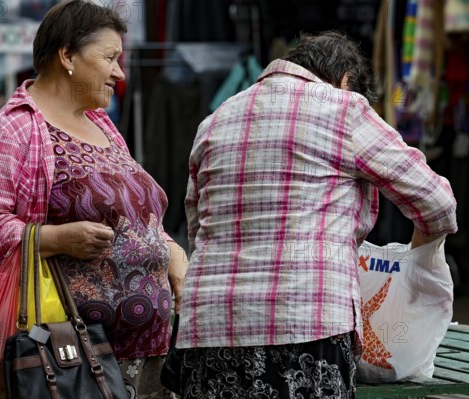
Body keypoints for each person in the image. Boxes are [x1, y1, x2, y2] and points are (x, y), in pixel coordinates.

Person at [177, 31, 457, 398]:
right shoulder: (343, 109)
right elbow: (436, 200)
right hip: (305, 328)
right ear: (345, 81)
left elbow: (198, 229)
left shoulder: (214, 122)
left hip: (208, 331)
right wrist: (419, 251)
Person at [0, 1, 188, 397]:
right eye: (110, 57)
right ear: (67, 55)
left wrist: (169, 249)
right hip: (73, 362)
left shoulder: (102, 124)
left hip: (146, 357)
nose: (120, 72)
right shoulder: (14, 130)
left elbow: (134, 217)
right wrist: (55, 239)